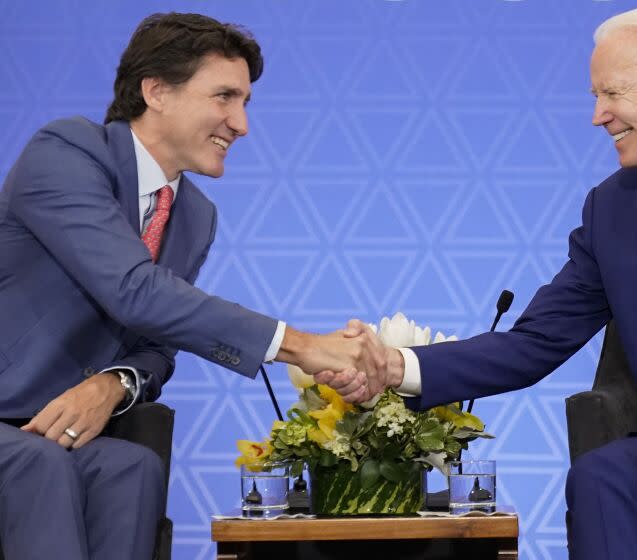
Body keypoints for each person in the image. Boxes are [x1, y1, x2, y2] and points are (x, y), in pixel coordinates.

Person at [318, 5, 637, 559]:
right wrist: (399, 365)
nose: (598, 115)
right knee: (602, 474)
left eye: (612, 93)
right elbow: (534, 342)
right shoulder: (613, 210)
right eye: (596, 96)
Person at [0, 12, 383, 560]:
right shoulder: (67, 151)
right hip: (14, 423)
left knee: (131, 465)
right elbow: (134, 289)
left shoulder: (194, 215)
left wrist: (114, 384)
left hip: (50, 427)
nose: (242, 123)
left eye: (246, 102)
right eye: (224, 97)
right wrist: (301, 345)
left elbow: (156, 344)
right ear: (155, 91)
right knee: (39, 466)